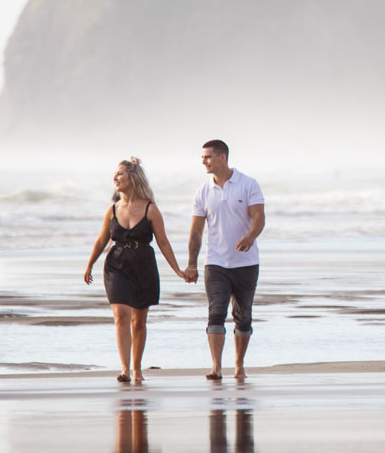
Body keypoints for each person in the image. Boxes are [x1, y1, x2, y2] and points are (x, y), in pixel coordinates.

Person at [84, 158, 186, 384]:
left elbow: (164, 242)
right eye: (115, 174)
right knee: (121, 316)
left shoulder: (151, 209)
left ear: (133, 177)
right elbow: (102, 240)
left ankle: (137, 369)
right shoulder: (112, 210)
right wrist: (90, 263)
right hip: (116, 264)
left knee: (138, 322)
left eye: (120, 174)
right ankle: (125, 369)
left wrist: (178, 270)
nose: (115, 178)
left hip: (143, 265)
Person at [183, 140, 265, 380]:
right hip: (216, 262)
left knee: (243, 315)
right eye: (203, 157)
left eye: (207, 157)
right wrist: (191, 263)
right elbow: (196, 232)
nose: (203, 161)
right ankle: (216, 367)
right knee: (216, 313)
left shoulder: (248, 184)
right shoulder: (202, 191)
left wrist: (251, 236)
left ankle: (239, 365)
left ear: (222, 157)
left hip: (246, 262)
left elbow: (259, 217)